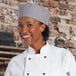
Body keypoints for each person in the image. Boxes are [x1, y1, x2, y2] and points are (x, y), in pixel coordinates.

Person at [4, 2, 76, 76]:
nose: (23, 31)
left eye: (29, 25)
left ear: (42, 27)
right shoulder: (15, 63)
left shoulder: (63, 57)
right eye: (20, 25)